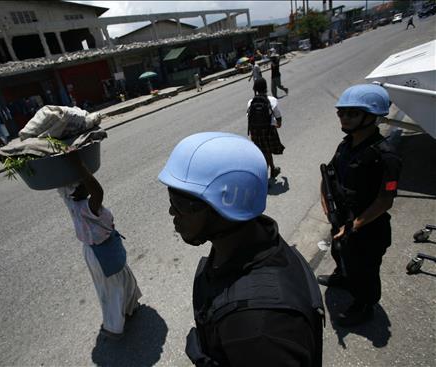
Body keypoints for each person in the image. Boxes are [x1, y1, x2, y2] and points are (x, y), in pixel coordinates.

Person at [158, 132, 324, 366]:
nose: (172, 212)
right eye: (171, 198)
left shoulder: (259, 327)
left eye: (181, 203)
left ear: (226, 205)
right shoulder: (259, 241)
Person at [318, 84, 402, 327]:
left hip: (367, 228)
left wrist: (354, 226)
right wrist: (326, 203)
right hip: (342, 219)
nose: (344, 117)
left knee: (365, 270)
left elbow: (385, 201)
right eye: (342, 113)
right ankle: (344, 277)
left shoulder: (385, 156)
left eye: (352, 113)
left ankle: (364, 306)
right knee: (340, 253)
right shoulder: (346, 145)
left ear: (372, 116)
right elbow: (329, 173)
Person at [58, 152, 142, 339]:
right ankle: (114, 326)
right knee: (112, 289)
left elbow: (64, 186)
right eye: (82, 183)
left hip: (103, 249)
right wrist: (79, 164)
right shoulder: (87, 207)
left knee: (121, 279)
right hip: (101, 254)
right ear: (74, 191)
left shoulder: (71, 203)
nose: (86, 184)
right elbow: (98, 191)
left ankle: (131, 306)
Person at [247, 78, 285, 180]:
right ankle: (264, 179)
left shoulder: (250, 102)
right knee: (266, 153)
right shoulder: (272, 100)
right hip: (268, 131)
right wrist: (279, 124)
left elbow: (249, 117)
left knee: (264, 152)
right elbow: (278, 117)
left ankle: (273, 169)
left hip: (255, 132)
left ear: (255, 88)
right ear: (266, 87)